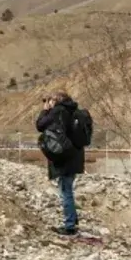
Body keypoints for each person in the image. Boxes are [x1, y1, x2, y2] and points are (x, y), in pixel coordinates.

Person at [36, 91, 85, 236]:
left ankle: (69, 226)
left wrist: (45, 110)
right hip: (76, 157)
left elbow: (40, 125)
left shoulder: (58, 112)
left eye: (52, 100)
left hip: (64, 157)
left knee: (65, 192)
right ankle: (73, 220)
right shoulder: (74, 111)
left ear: (57, 101)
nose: (50, 102)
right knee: (68, 189)